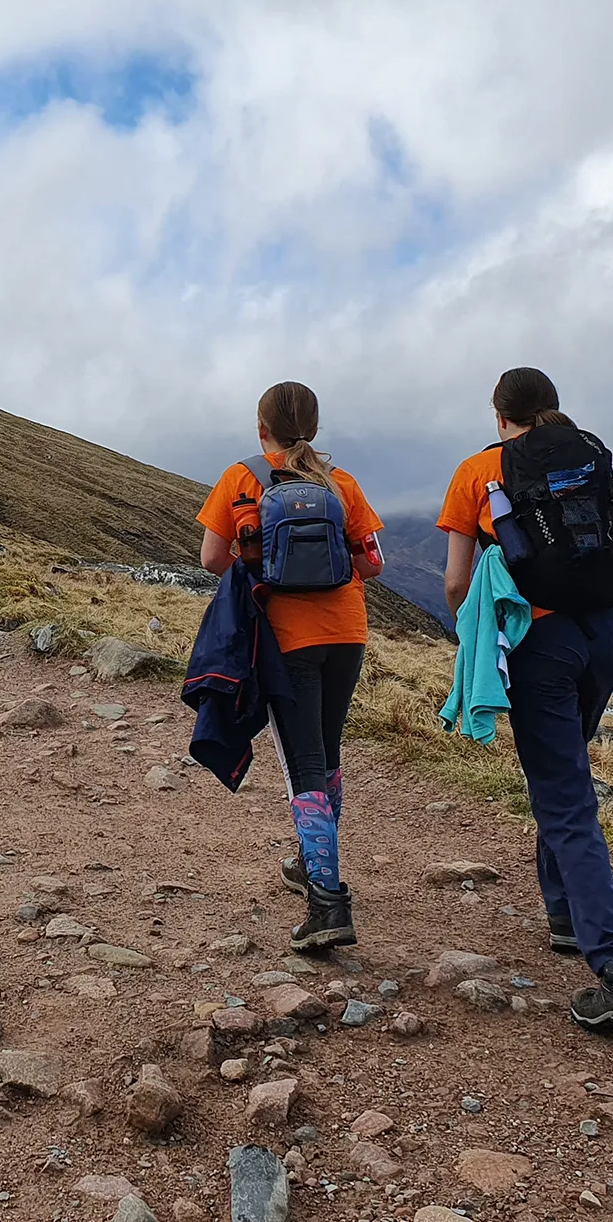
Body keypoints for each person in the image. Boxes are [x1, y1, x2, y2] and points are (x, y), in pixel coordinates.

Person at [437, 366, 613, 1029]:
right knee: (560, 775)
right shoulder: (590, 460)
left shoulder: (478, 471)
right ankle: (565, 914)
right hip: (599, 638)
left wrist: (479, 645)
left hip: (539, 643)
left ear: (499, 416)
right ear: (555, 409)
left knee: (565, 799)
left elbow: (455, 582)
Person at [198, 382, 384, 950]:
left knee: (302, 764)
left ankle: (328, 902)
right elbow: (372, 564)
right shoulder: (341, 483)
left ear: (261, 429)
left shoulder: (242, 478)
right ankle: (311, 864)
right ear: (316, 427)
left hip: (287, 640)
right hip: (347, 632)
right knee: (326, 754)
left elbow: (210, 559)